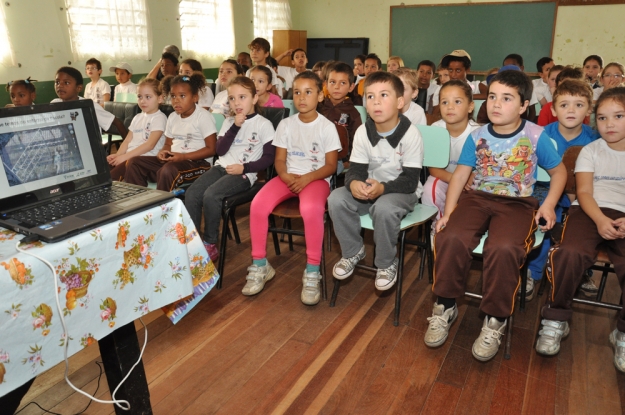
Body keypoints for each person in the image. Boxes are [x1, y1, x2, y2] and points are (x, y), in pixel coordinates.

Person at [424, 70, 566, 362]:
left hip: (517, 204)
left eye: (507, 98)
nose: (496, 104)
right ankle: (445, 305)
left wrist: (549, 204)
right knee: (450, 236)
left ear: (524, 105)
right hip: (477, 198)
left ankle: (494, 320)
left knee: (503, 248)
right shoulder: (477, 136)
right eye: (491, 97)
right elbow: (461, 174)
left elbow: (559, 172)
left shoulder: (536, 135)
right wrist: (449, 212)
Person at [535, 87, 625, 374]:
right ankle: (555, 319)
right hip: (589, 210)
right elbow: (584, 192)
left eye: (618, 116)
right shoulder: (590, 150)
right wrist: (599, 220)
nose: (609, 124)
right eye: (602, 118)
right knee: (569, 252)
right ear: (593, 120)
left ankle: (622, 332)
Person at [244, 71, 340, 305]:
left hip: (315, 179)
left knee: (310, 210)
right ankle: (259, 265)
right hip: (288, 177)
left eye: (308, 92)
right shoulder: (286, 124)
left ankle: (312, 270)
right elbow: (279, 160)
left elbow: (331, 166)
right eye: (297, 92)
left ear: (320, 96)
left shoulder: (327, 127)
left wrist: (307, 179)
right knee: (257, 205)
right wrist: (286, 176)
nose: (302, 97)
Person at [329, 71, 424, 291]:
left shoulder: (411, 134)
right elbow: (356, 171)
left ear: (400, 102)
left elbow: (410, 181)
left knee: (384, 207)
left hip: (402, 192)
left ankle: (385, 262)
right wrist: (353, 184)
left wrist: (382, 188)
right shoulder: (363, 131)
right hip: (371, 189)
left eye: (384, 95)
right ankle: (353, 251)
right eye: (370, 97)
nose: (376, 102)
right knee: (336, 198)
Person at [185, 76, 275, 263]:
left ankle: (210, 243)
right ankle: (192, 243)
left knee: (211, 195)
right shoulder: (228, 122)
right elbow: (220, 150)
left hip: (243, 174)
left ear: (254, 98)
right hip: (221, 168)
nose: (237, 102)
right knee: (193, 193)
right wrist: (235, 126)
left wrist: (245, 167)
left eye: (242, 97)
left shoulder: (263, 124)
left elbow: (269, 158)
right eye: (232, 98)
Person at [524, 79, 599, 300]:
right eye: (564, 105)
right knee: (547, 219)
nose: (571, 110)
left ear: (589, 108)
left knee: (586, 222)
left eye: (578, 104)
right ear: (554, 110)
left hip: (582, 195)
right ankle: (533, 271)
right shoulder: (540, 134)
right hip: (546, 192)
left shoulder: (594, 138)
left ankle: (583, 271)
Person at [124, 73, 217, 191]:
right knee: (134, 162)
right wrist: (163, 152)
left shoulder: (203, 117)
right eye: (173, 96)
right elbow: (168, 144)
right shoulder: (173, 117)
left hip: (198, 164)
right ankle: (141, 201)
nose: (176, 100)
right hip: (175, 160)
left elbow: (212, 149)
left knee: (168, 170)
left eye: (182, 96)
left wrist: (183, 157)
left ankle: (162, 206)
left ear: (195, 97)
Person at [421, 80, 480, 233]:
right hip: (444, 177)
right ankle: (438, 228)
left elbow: (481, 168)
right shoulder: (436, 129)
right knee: (429, 189)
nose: (450, 107)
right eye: (444, 102)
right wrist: (456, 180)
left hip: (470, 181)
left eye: (457, 101)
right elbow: (433, 169)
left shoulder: (478, 133)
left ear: (470, 106)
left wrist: (471, 176)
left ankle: (462, 230)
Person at [107, 78, 167, 181]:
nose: (142, 101)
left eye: (148, 97)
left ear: (160, 99)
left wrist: (125, 157)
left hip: (146, 161)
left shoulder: (159, 118)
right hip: (130, 158)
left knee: (111, 178)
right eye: (139, 97)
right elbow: (127, 140)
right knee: (105, 167)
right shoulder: (137, 117)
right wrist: (118, 155)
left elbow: (149, 145)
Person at [51, 66, 126, 136]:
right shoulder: (54, 104)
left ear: (79, 88)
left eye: (66, 82)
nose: (59, 85)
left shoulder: (88, 106)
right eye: (57, 82)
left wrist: (128, 146)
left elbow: (117, 122)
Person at [431, 50, 487, 121]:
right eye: (450, 70)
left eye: (458, 71)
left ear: (467, 70)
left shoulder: (475, 86)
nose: (453, 75)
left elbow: (489, 94)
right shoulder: (441, 89)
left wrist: (466, 96)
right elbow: (435, 113)